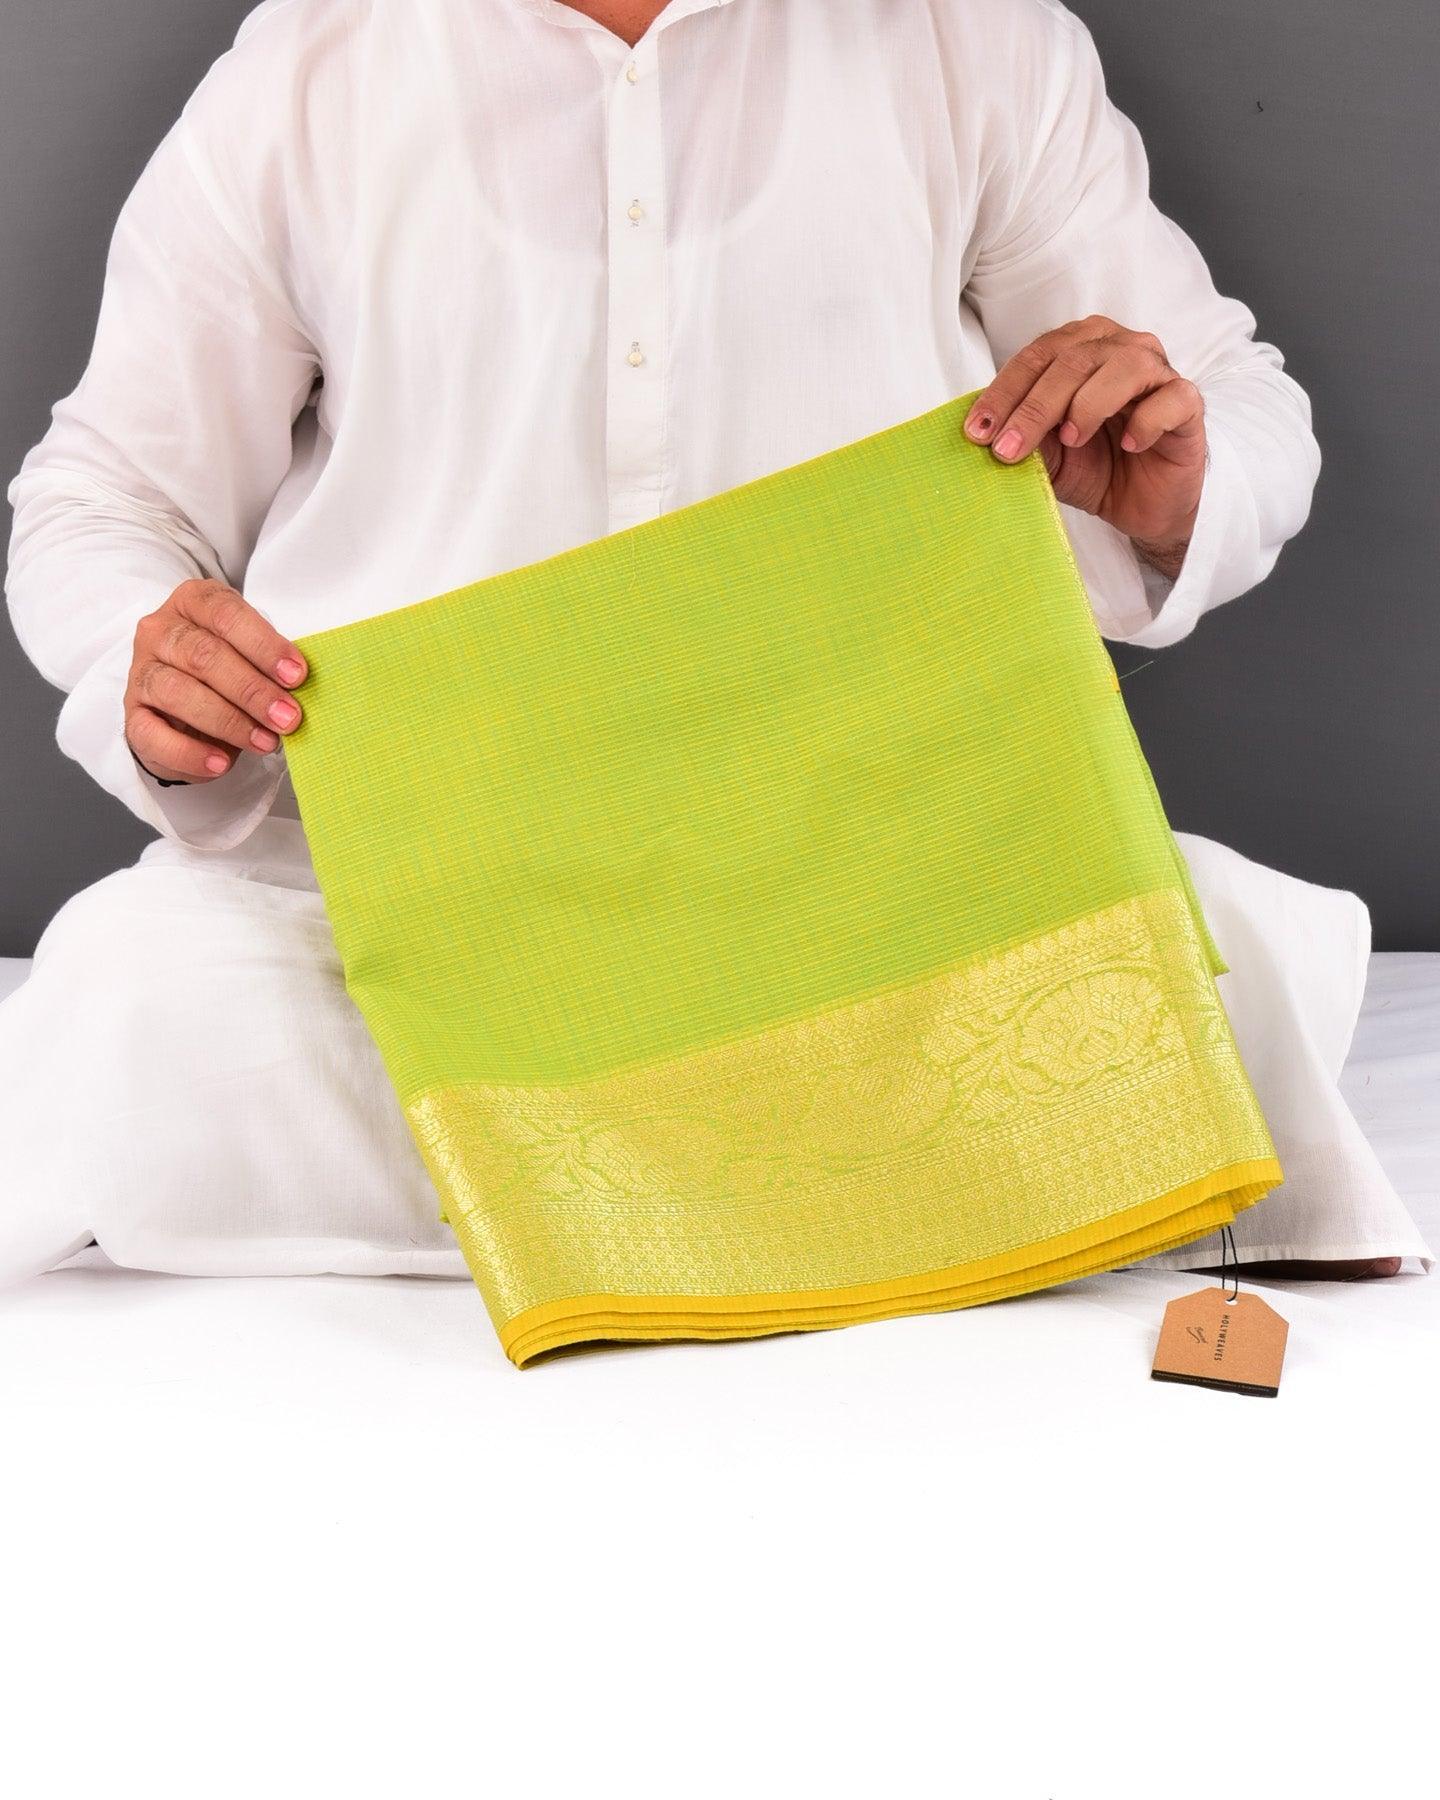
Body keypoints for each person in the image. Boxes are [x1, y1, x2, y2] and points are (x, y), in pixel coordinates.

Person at [2, 0, 1425, 1283]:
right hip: (438, 900)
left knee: (1227, 949)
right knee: (134, 996)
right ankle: (916, 1184)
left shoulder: (968, 37)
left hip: (878, 878)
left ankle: (586, 1186)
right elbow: (103, 496)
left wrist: (1175, 489)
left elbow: (1232, 396)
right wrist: (149, 659)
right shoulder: (308, 71)